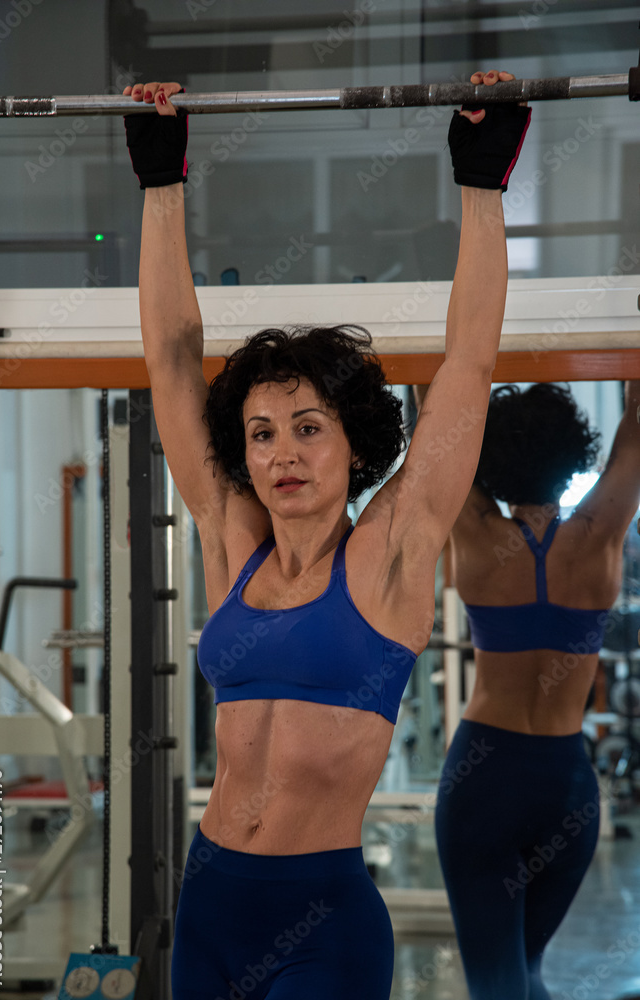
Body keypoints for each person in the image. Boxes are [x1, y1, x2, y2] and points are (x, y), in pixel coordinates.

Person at [123, 71, 531, 1000]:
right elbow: (171, 358)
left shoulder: (389, 549)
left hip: (321, 922)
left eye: (309, 427)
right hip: (211, 900)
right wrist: (159, 179)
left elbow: (468, 356)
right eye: (262, 433)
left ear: (355, 444)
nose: (281, 454)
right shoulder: (233, 544)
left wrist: (480, 179)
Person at [423, 379, 640, 999]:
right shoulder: (600, 531)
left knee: (499, 983)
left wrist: (437, 350)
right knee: (527, 971)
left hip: (484, 780)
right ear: (574, 453)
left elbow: (435, 426)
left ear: (492, 458)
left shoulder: (476, 530)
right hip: (567, 786)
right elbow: (638, 421)